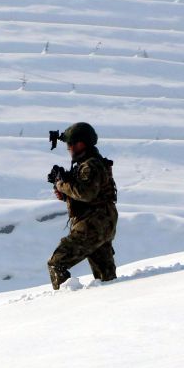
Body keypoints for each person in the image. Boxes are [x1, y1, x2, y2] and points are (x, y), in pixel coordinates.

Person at [47, 122, 118, 290]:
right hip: (101, 222)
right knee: (106, 278)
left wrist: (61, 184)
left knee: (57, 263)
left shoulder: (91, 165)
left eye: (70, 144)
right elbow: (92, 194)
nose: (69, 149)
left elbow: (86, 193)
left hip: (93, 224)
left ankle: (65, 304)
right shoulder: (91, 164)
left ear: (81, 144)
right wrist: (65, 196)